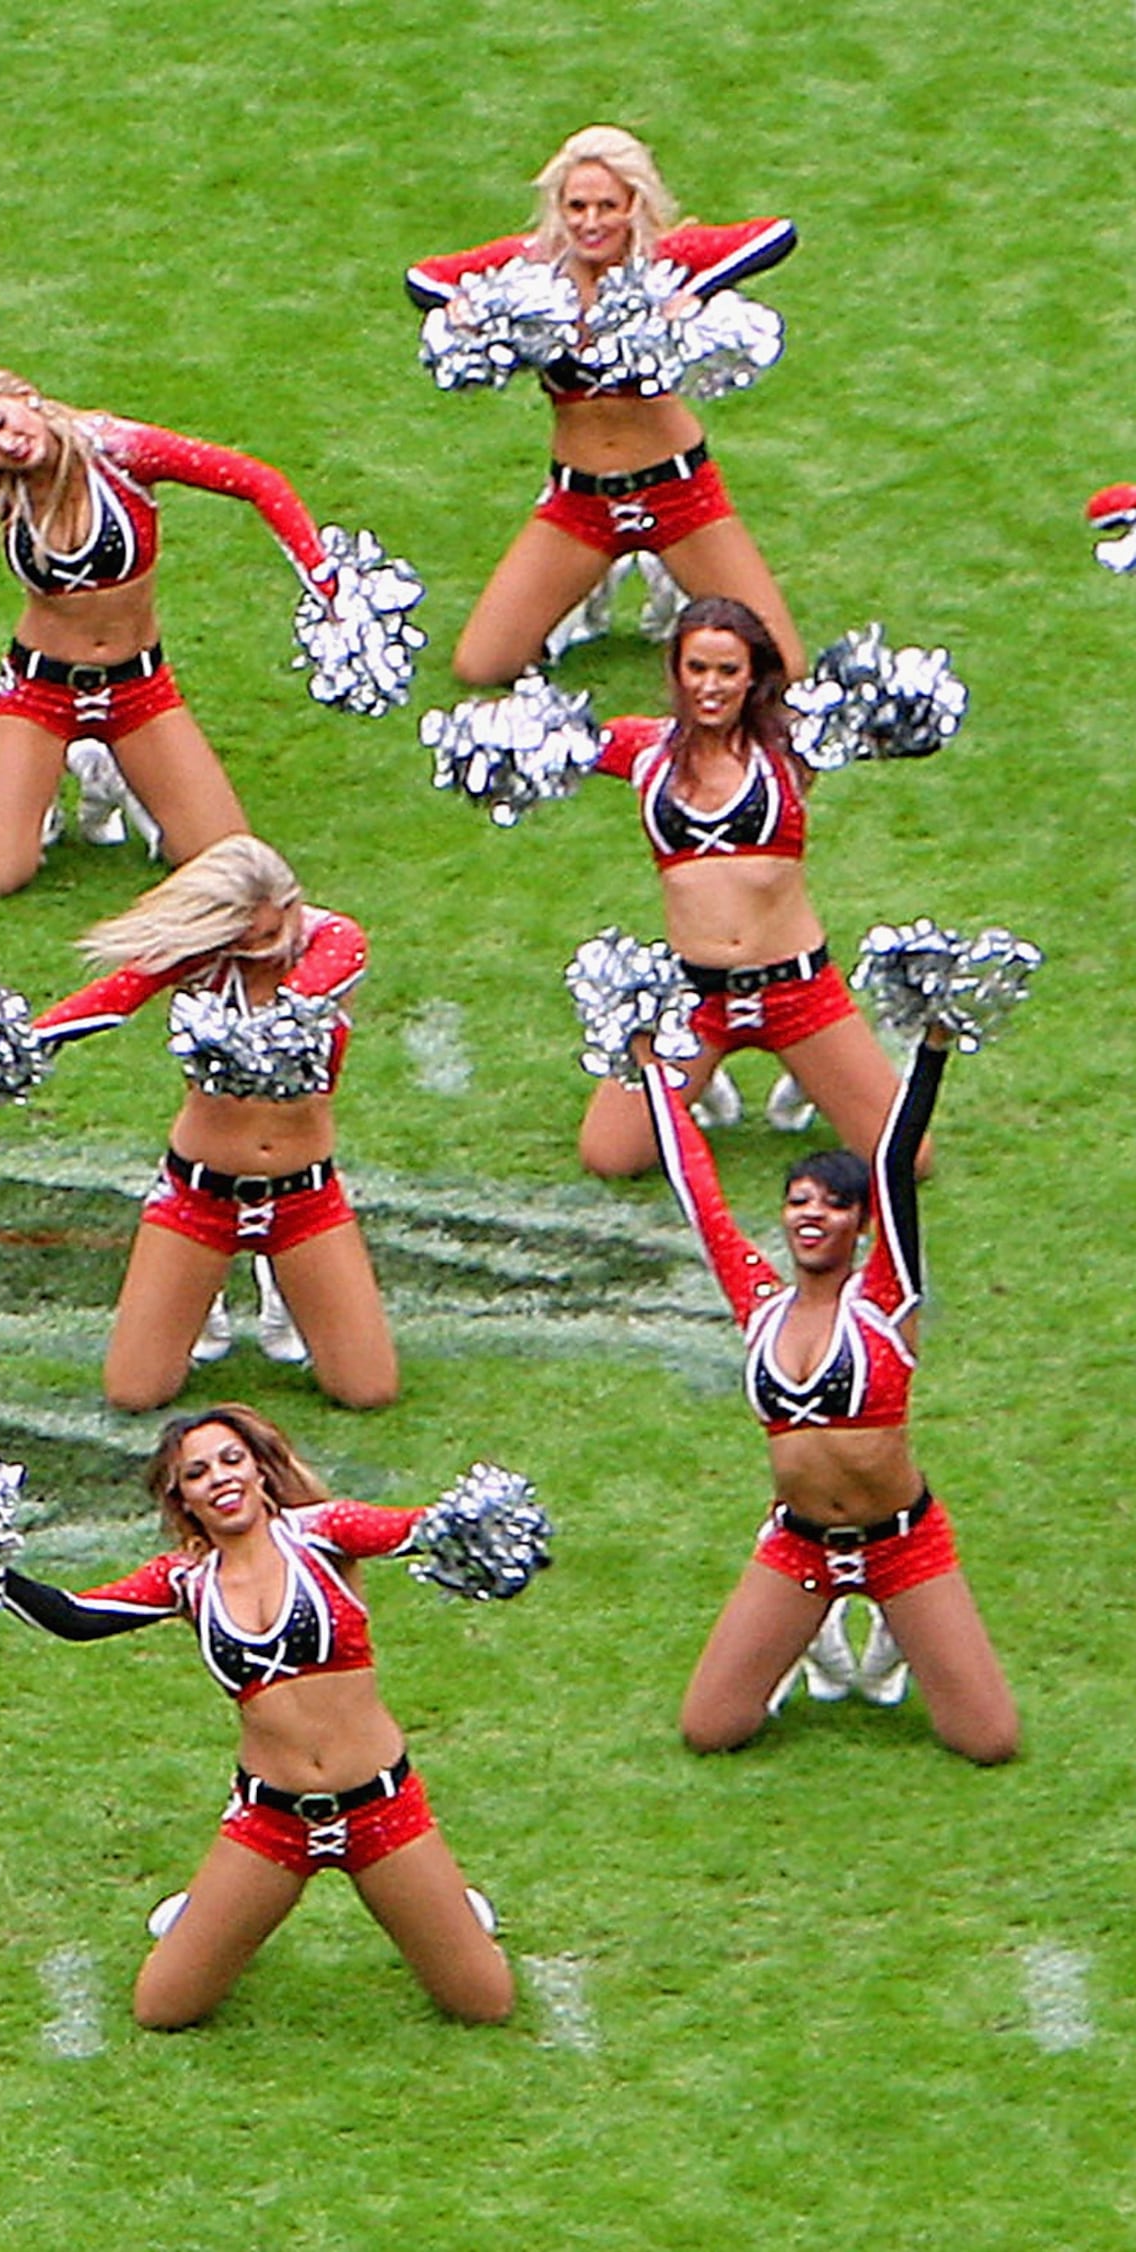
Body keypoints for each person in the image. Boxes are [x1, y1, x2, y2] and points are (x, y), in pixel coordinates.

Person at [0, 1405, 516, 2030]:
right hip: (272, 1821)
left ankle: (450, 1909)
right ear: (182, 1498)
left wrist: (475, 1522)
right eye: (196, 1472)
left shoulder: (326, 1533)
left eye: (231, 1460)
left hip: (382, 1809)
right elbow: (76, 1617)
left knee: (484, 2004)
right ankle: (205, 1911)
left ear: (261, 1472)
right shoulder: (186, 1579)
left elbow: (417, 1530)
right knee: (163, 2008)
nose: (219, 1478)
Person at [641, 1026, 1015, 1761]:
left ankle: (891, 1631)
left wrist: (932, 1051)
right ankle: (808, 1635)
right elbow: (700, 1194)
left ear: (860, 1222)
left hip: (903, 1544)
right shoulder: (761, 1306)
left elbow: (895, 1159)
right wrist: (655, 1069)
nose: (812, 1215)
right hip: (799, 1544)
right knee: (711, 1730)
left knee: (988, 1741)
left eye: (833, 1205)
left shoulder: (885, 1298)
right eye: (798, 1201)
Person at [0, 364, 340, 895]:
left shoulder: (120, 450)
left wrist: (325, 581)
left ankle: (113, 772)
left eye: (2, 422)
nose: (4, 446)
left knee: (228, 865)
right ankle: (42, 794)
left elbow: (255, 480)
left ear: (24, 397)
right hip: (38, 690)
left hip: (139, 687)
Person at [407, 126, 802, 686]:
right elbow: (421, 278)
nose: (591, 222)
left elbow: (777, 235)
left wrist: (697, 291)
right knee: (481, 666)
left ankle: (673, 602)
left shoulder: (663, 260)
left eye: (608, 206)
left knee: (779, 667)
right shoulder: (531, 268)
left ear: (634, 204)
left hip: (678, 494)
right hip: (579, 503)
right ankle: (579, 606)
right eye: (577, 206)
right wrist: (468, 307)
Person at [19, 837, 393, 1410]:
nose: (265, 951)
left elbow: (306, 994)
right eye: (244, 942)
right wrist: (27, 1044)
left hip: (306, 1198)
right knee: (135, 1393)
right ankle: (201, 1293)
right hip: (199, 1195)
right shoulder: (204, 959)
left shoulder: (335, 941)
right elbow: (114, 997)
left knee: (368, 1391)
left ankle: (281, 1281)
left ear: (294, 904)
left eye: (273, 933)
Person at [555, 599, 913, 1178]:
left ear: (754, 677)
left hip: (797, 990)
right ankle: (703, 1076)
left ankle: (810, 1073)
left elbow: (889, 721)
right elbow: (551, 741)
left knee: (906, 1161)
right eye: (697, 669)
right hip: (694, 998)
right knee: (610, 1157)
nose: (710, 687)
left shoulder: (794, 747)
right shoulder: (644, 749)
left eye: (728, 671)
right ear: (675, 671)